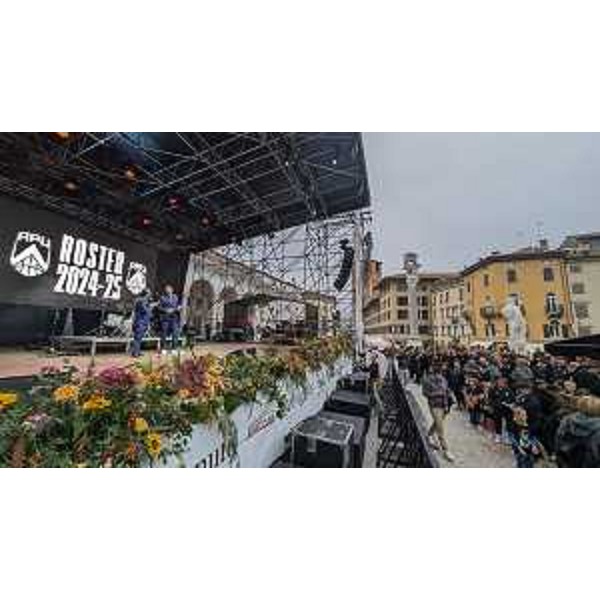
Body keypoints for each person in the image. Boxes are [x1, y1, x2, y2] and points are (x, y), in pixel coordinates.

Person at [422, 361, 455, 462]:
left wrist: (449, 397)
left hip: (444, 405)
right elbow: (425, 393)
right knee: (440, 428)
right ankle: (446, 449)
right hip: (434, 405)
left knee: (437, 423)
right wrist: (438, 393)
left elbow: (446, 390)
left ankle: (429, 435)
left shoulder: (443, 379)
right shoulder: (426, 380)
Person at [158, 284, 181, 354]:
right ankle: (163, 348)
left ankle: (174, 348)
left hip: (174, 317)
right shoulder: (162, 298)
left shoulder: (175, 297)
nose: (168, 291)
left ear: (172, 290)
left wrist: (177, 308)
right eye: (166, 290)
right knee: (164, 333)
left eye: (169, 289)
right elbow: (159, 307)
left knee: (175, 333)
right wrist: (166, 310)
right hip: (165, 318)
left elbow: (178, 305)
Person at [131, 288, 153, 358]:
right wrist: (151, 307)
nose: (150, 295)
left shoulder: (142, 300)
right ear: (146, 294)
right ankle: (135, 353)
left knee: (139, 338)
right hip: (140, 321)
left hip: (143, 321)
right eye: (149, 293)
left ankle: (137, 351)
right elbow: (145, 310)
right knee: (138, 337)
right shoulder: (141, 301)